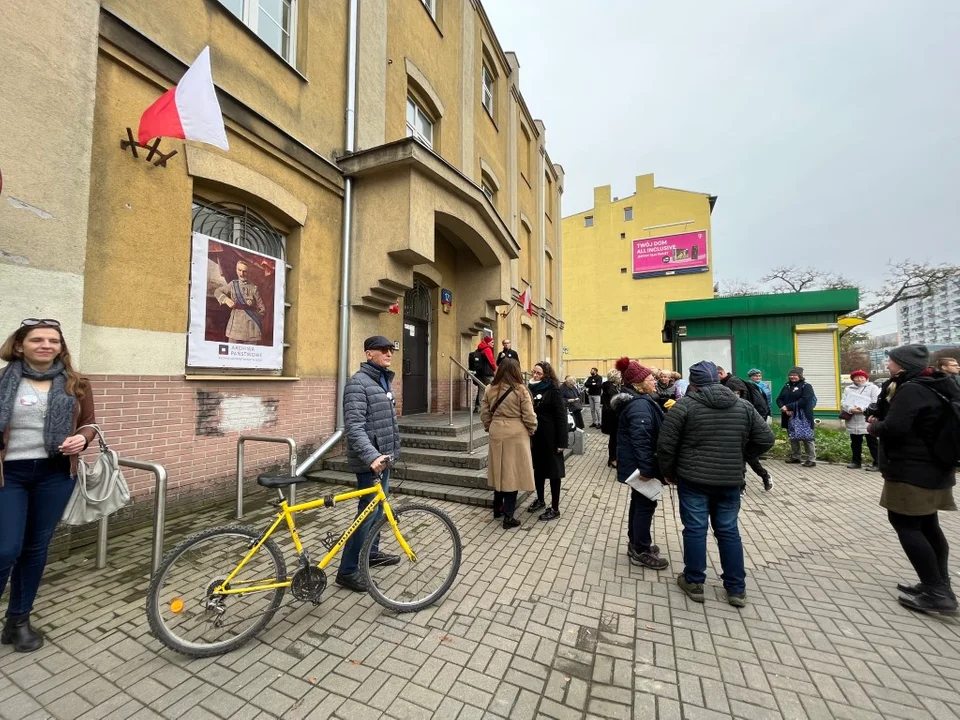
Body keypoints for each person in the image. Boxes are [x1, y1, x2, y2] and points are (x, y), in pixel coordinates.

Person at [0, 319, 98, 652]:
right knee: (5, 549)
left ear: (61, 347)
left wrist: (82, 440)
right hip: (7, 476)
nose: (46, 345)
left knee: (34, 549)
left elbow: (90, 424)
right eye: (37, 339)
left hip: (54, 475)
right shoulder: (2, 380)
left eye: (53, 341)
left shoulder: (76, 382)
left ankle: (18, 621)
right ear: (19, 345)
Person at [658, 361, 775, 608]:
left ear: (693, 383)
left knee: (695, 529)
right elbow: (766, 438)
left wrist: (669, 473)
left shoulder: (684, 407)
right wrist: (741, 454)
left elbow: (666, 445)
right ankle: (735, 588)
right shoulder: (742, 406)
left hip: (693, 479)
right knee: (728, 531)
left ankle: (694, 581)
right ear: (718, 380)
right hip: (730, 479)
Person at [868, 344, 960, 615]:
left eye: (891, 361)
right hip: (935, 468)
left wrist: (874, 426)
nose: (888, 365)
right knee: (929, 524)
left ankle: (936, 591)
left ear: (903, 364)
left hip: (911, 471)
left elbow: (895, 428)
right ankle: (938, 583)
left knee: (906, 524)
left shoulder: (912, 389)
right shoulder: (938, 383)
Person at [337, 335, 402, 592]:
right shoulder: (358, 384)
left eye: (391, 349)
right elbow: (354, 426)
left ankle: (371, 553)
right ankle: (348, 570)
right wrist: (371, 456)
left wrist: (388, 454)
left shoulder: (382, 380)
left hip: (383, 458)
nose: (389, 353)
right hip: (371, 461)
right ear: (368, 354)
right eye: (383, 349)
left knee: (378, 509)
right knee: (367, 514)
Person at [611, 357, 668, 570]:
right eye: (650, 378)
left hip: (636, 464)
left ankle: (635, 542)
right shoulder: (640, 405)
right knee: (645, 505)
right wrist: (646, 468)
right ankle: (641, 549)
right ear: (638, 383)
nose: (654, 380)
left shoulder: (640, 401)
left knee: (639, 502)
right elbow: (642, 439)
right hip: (640, 465)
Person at [480, 359, 537, 529]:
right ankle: (509, 516)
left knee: (499, 470)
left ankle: (497, 508)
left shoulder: (490, 388)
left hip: (497, 430)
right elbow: (529, 415)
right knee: (512, 474)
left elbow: (484, 412)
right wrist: (531, 429)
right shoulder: (521, 390)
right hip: (516, 433)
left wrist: (490, 426)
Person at [527, 362, 567, 521]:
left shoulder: (553, 389)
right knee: (539, 470)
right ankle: (541, 499)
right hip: (536, 436)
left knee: (553, 472)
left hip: (551, 437)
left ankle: (555, 508)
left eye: (538, 373)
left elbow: (561, 416)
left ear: (546, 374)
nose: (535, 375)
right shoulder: (529, 388)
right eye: (534, 372)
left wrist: (562, 442)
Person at [726, 376, 773, 491]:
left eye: (737, 392)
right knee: (741, 461)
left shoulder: (746, 404)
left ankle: (765, 476)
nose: (736, 394)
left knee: (751, 460)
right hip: (738, 437)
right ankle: (742, 486)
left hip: (750, 437)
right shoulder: (732, 403)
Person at [214, 260, 267, 345]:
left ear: (248, 272)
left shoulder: (254, 288)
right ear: (236, 270)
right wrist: (226, 300)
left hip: (251, 330)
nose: (242, 274)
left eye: (245, 271)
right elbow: (217, 291)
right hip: (236, 328)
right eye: (239, 270)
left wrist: (255, 319)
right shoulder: (233, 285)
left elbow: (262, 309)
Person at [776, 367, 817, 467]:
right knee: (792, 436)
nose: (792, 377)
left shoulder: (806, 386)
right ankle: (796, 457)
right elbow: (779, 398)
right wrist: (783, 407)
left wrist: (789, 407)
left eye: (795, 375)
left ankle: (811, 459)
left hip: (802, 416)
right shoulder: (787, 386)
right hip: (788, 415)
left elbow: (805, 400)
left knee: (807, 437)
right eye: (791, 375)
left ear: (800, 376)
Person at [842, 369, 880, 470]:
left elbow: (875, 402)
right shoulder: (848, 389)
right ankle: (856, 461)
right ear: (853, 378)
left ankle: (878, 463)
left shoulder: (873, 388)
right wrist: (850, 409)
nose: (859, 379)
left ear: (866, 378)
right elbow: (844, 402)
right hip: (853, 419)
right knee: (855, 442)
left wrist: (863, 409)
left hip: (867, 419)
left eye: (862, 377)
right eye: (857, 377)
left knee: (872, 442)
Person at [600, 369, 622, 468]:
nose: (621, 378)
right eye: (619, 377)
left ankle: (612, 458)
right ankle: (612, 459)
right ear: (615, 378)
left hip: (610, 415)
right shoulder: (611, 388)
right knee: (614, 438)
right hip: (611, 416)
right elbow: (615, 402)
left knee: (614, 438)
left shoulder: (612, 387)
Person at [473, 335, 497, 411]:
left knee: (481, 390)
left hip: (480, 373)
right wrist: (495, 369)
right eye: (492, 342)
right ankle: (493, 406)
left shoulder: (479, 349)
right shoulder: (487, 349)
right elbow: (491, 361)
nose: (493, 344)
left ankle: (480, 407)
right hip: (488, 373)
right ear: (488, 342)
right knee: (494, 388)